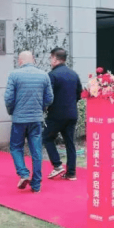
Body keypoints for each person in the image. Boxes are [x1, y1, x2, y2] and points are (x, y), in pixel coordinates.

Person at [4, 51, 54, 193]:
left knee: (16, 147)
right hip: (36, 119)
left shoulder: (14, 75)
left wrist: (12, 111)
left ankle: (24, 173)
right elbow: (50, 98)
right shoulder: (44, 75)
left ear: (20, 61)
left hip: (19, 119)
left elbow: (8, 98)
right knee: (36, 151)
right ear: (33, 60)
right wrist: (41, 108)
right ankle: (36, 184)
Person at [43, 48, 83, 181]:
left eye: (51, 58)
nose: (50, 61)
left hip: (56, 114)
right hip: (72, 113)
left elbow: (48, 96)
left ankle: (57, 165)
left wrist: (46, 108)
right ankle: (71, 173)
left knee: (47, 138)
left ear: (55, 59)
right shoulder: (74, 74)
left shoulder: (52, 75)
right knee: (70, 143)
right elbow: (79, 94)